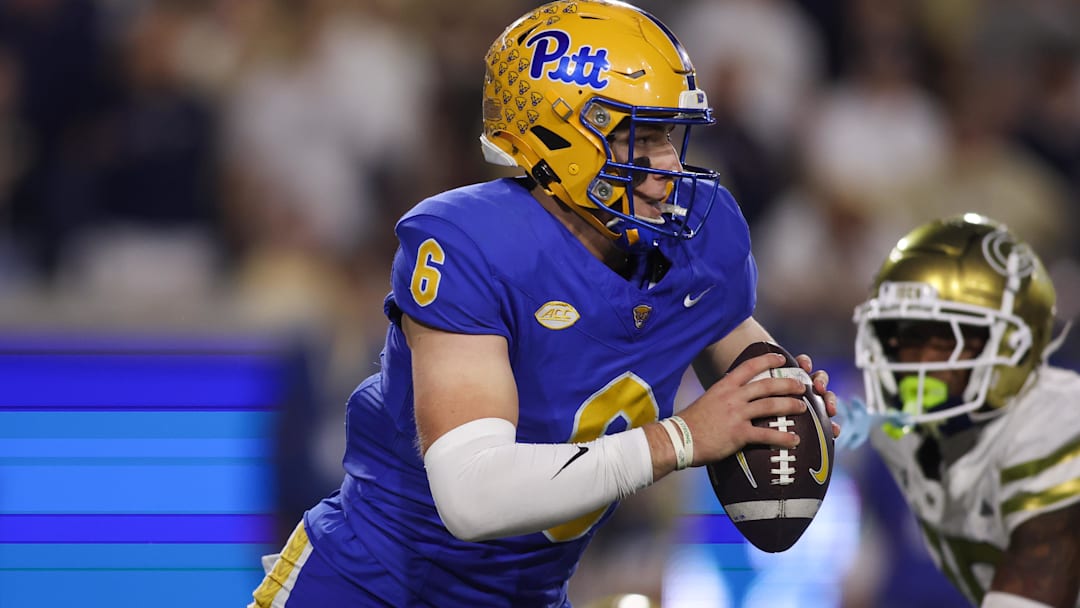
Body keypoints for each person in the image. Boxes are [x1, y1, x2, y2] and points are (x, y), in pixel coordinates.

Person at [249, 1, 839, 606]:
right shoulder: (476, 244)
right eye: (642, 135)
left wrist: (787, 398)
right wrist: (681, 439)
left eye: (671, 134)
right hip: (372, 588)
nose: (668, 164)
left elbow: (741, 353)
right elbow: (472, 495)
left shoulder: (695, 242)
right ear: (562, 139)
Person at [844, 214, 1080, 608]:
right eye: (903, 335)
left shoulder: (1056, 426)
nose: (914, 360)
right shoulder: (900, 432)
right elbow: (874, 559)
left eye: (944, 338)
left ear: (1009, 345)